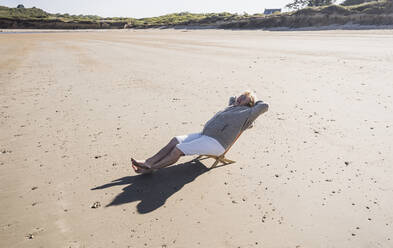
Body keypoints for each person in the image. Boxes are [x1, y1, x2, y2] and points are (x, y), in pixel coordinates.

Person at [131, 91, 269, 174]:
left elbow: (264, 106)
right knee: (175, 140)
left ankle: (151, 168)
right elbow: (232, 97)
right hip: (204, 135)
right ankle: (148, 161)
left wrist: (252, 99)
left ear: (250, 103)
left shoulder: (248, 113)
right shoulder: (232, 107)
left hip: (217, 143)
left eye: (244, 97)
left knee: (178, 149)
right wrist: (240, 99)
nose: (239, 98)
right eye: (241, 95)